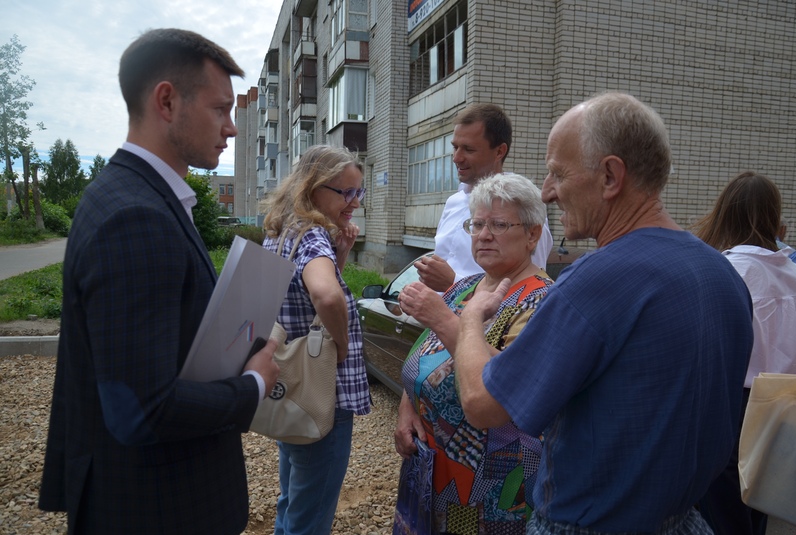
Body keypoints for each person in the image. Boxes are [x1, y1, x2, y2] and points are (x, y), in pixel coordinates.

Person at [451, 92, 755, 534]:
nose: (547, 191)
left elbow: (482, 403)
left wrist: (470, 320)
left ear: (611, 176)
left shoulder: (597, 280)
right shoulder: (721, 272)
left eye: (557, 172)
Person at [38, 29, 281, 535]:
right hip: (160, 508)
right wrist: (254, 384)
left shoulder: (127, 195)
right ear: (167, 101)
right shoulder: (136, 216)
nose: (232, 129)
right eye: (220, 110)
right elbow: (141, 411)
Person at [394, 172, 552, 534]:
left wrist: (443, 318)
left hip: (488, 485)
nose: (483, 235)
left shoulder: (541, 299)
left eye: (498, 224)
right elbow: (426, 359)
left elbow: (506, 391)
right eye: (477, 224)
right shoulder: (464, 287)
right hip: (431, 468)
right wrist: (407, 409)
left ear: (532, 234)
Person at [262, 144, 371, 535]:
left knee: (292, 500)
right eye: (346, 192)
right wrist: (341, 347)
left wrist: (340, 256)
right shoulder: (312, 237)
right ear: (313, 188)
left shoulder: (281, 231)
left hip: (294, 388)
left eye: (359, 192)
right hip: (321, 396)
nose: (354, 202)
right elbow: (325, 296)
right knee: (311, 517)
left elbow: (298, 298)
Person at [693, 171, 796, 535]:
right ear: (775, 216)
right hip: (788, 405)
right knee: (762, 505)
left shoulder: (724, 271)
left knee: (722, 514)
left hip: (732, 405)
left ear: (725, 213)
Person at [416, 104, 554, 292]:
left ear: (499, 151)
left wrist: (454, 284)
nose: (456, 158)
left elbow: (528, 288)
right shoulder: (453, 203)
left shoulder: (522, 204)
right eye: (455, 147)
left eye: (468, 149)